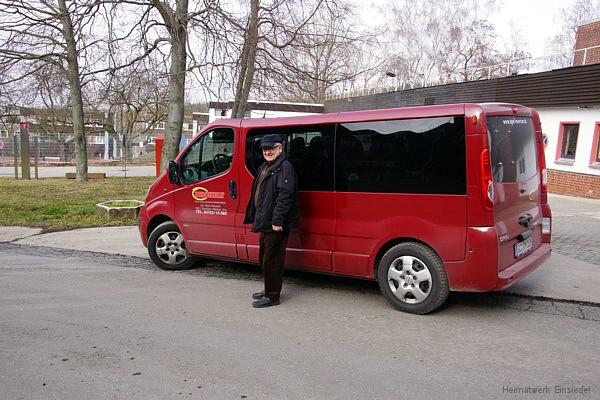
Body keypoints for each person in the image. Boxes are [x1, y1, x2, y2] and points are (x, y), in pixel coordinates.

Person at [244, 134, 299, 308]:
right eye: (265, 149)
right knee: (264, 257)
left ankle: (273, 295)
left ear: (280, 148)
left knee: (272, 259)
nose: (267, 151)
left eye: (271, 148)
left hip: (275, 223)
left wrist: (277, 221)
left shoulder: (284, 168)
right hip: (266, 219)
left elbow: (285, 197)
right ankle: (268, 289)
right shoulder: (267, 165)